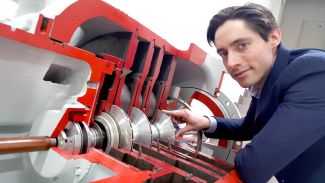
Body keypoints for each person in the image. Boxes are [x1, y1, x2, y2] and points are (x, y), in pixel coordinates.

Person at [162, 3, 325, 183]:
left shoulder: (315, 71)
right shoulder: (266, 76)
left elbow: (255, 165)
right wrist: (205, 122)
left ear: (274, 37)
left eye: (242, 45)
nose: (231, 63)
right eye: (224, 53)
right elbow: (250, 127)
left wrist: (254, 152)